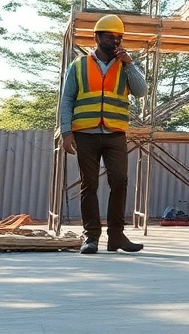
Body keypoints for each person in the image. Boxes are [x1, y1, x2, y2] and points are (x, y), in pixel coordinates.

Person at [58, 13, 147, 254]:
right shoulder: (78, 66)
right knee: (89, 184)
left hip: (114, 133)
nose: (116, 41)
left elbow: (140, 91)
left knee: (119, 180)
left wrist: (129, 63)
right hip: (85, 132)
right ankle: (91, 237)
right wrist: (66, 132)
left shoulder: (127, 65)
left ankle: (116, 236)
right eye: (110, 37)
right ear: (97, 37)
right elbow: (66, 100)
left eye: (119, 37)